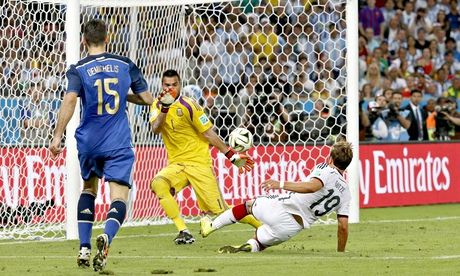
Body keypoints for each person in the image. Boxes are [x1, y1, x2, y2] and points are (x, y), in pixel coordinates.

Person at [49, 19, 153, 271]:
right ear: (107, 39)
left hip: (89, 142)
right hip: (117, 142)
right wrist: (120, 95)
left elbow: (70, 99)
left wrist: (57, 135)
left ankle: (84, 247)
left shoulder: (78, 68)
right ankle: (107, 236)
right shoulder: (125, 64)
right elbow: (147, 98)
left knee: (88, 191)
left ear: (84, 40)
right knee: (119, 197)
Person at [149, 69, 261, 245]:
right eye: (167, 85)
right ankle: (183, 231)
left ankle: (260, 225)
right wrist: (164, 107)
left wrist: (231, 156)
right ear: (162, 85)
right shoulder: (157, 105)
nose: (170, 89)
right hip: (177, 164)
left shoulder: (190, 106)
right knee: (158, 183)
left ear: (180, 85)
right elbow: (155, 129)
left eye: (174, 85)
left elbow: (209, 134)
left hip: (199, 163)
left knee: (221, 211)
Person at [200, 141, 353, 253]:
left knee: (248, 206)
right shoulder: (346, 192)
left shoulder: (325, 168)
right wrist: (340, 252)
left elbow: (311, 186)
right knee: (261, 243)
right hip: (292, 228)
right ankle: (248, 246)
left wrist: (279, 184)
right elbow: (343, 226)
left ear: (330, 159)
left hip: (282, 209)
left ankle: (211, 227)